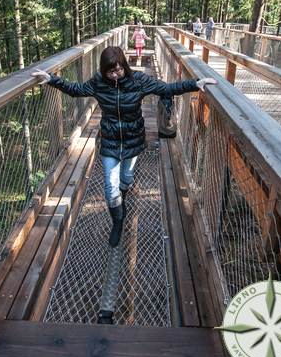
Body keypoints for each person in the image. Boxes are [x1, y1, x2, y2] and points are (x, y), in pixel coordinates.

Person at [32, 46, 216, 248]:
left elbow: (166, 89)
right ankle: (118, 221)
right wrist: (51, 79)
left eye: (118, 70)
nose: (115, 75)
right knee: (111, 188)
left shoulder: (138, 80)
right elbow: (76, 90)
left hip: (133, 138)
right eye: (110, 71)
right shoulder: (99, 82)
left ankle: (122, 199)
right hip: (110, 140)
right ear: (104, 71)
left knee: (126, 178)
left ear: (124, 66)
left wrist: (195, 84)